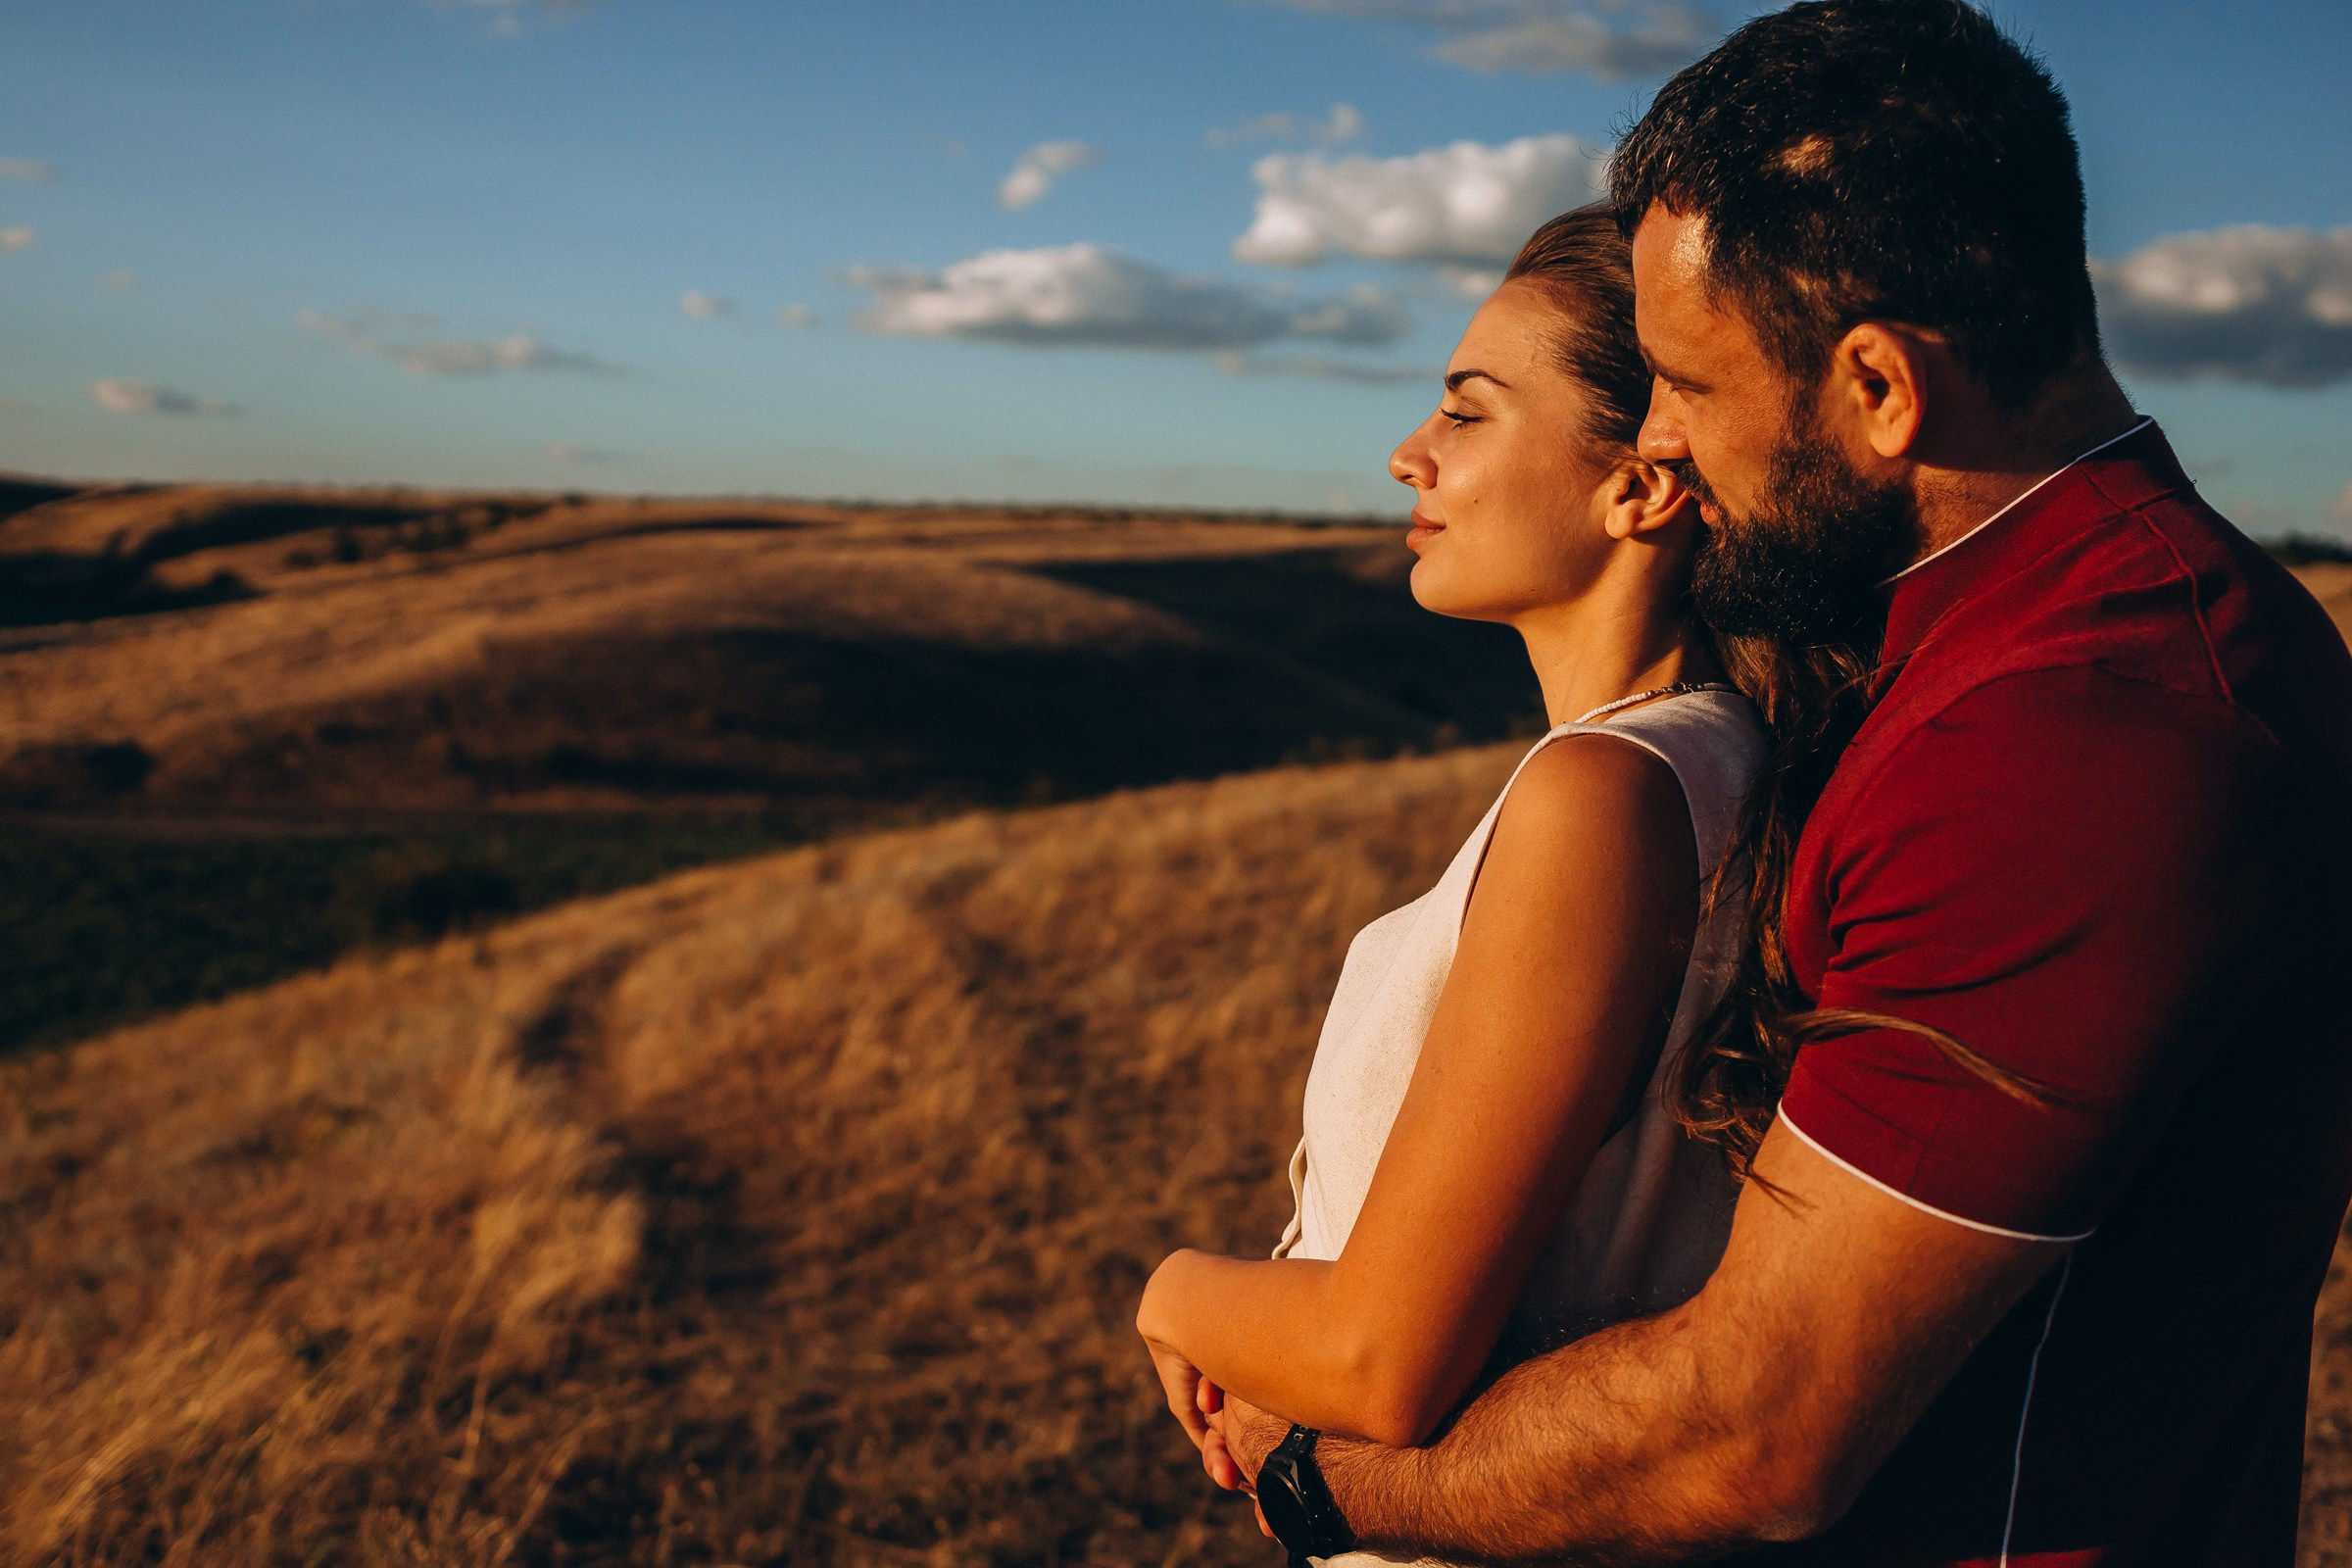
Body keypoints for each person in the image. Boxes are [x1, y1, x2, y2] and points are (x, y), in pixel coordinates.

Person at [1190, 2, 2352, 1564]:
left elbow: (1760, 1430)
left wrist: (1318, 1480)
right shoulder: (1987, 655)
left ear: (1879, 386)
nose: (1664, 438)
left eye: (1686, 380)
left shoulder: (2086, 733)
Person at [1134, 205, 1781, 1538]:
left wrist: (1176, 1294)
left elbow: (1383, 1359)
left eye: (1470, 413)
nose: (1407, 456)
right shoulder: (1709, 762)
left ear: (1643, 483)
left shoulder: (1606, 792)